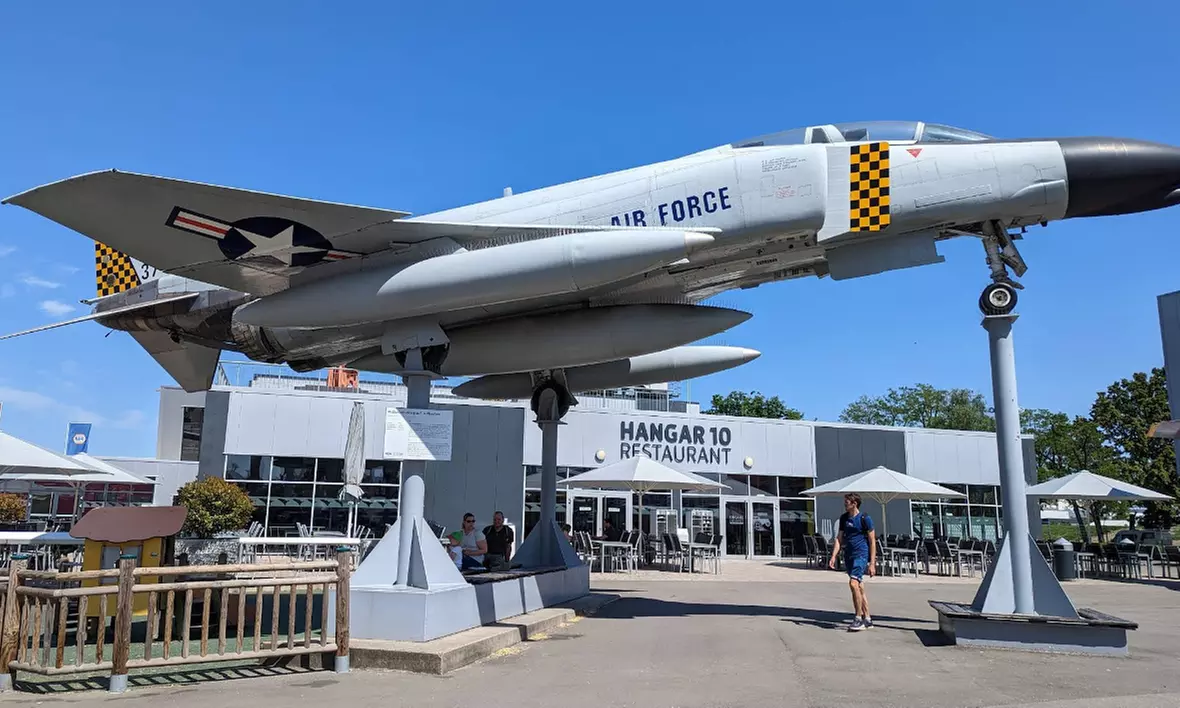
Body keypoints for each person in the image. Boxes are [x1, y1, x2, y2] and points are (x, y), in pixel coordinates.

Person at [828, 492, 876, 631]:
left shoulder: (865, 518)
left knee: (853, 584)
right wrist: (833, 556)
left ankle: (858, 618)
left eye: (847, 502)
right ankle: (868, 619)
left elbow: (872, 541)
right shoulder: (844, 518)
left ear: (854, 503)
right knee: (859, 586)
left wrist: (872, 563)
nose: (844, 504)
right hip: (848, 555)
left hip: (861, 555)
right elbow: (839, 538)